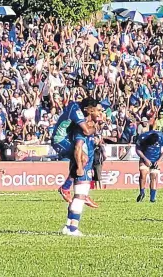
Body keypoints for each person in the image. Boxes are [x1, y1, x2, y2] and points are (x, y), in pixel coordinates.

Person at [61, 100, 103, 236]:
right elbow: (78, 147)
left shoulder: (89, 127)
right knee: (80, 196)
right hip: (83, 166)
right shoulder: (82, 129)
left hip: (85, 164)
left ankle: (68, 226)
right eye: (99, 111)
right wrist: (80, 167)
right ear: (90, 111)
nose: (101, 113)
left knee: (79, 196)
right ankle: (73, 228)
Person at [52, 99, 98, 207]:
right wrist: (94, 129)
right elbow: (86, 130)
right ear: (87, 109)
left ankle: (81, 193)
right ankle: (66, 188)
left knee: (82, 160)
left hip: (68, 138)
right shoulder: (77, 111)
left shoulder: (78, 109)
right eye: (93, 110)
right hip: (60, 139)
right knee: (82, 159)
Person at [135, 130, 163, 203]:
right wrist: (145, 159)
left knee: (153, 177)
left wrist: (159, 160)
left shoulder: (162, 137)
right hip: (145, 159)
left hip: (156, 159)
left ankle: (152, 198)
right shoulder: (142, 137)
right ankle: (142, 193)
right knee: (143, 174)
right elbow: (137, 149)